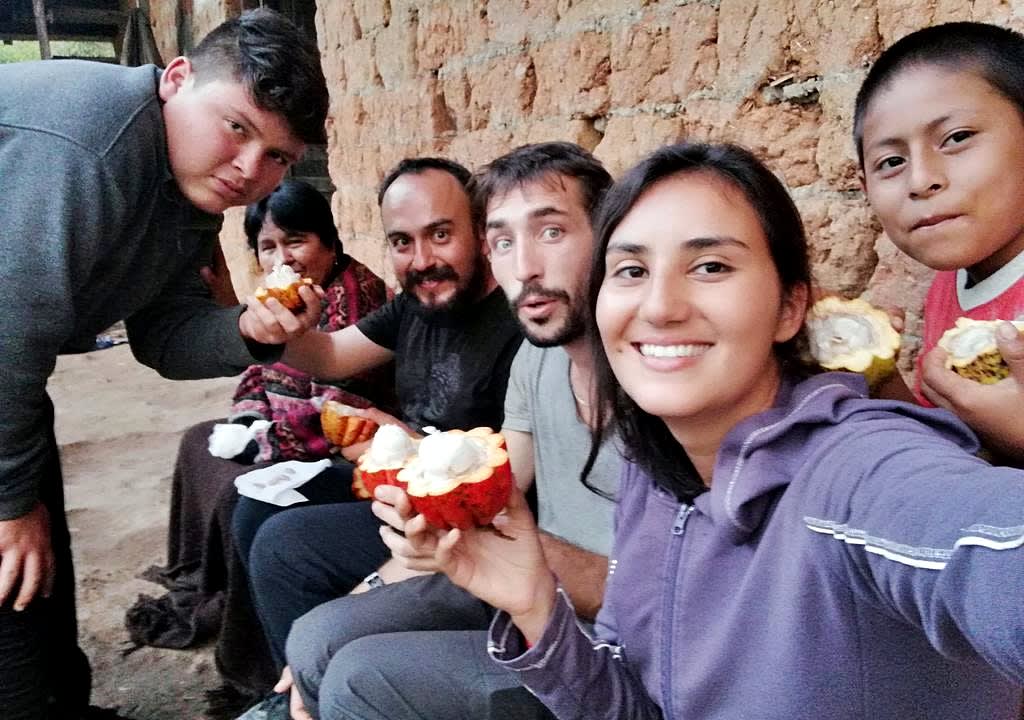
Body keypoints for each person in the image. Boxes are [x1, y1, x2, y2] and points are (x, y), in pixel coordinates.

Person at [376, 142, 1024, 719]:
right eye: (630, 271)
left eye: (711, 266)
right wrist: (535, 605)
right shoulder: (655, 474)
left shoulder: (850, 471)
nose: (660, 307)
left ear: (790, 307)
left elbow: (984, 549)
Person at [0, 9, 329, 719]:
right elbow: (5, 337)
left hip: (9, 379)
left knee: (42, 564)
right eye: (236, 126)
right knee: (11, 599)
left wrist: (249, 327)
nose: (250, 170)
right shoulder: (93, 147)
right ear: (176, 78)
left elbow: (163, 337)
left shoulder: (186, 190)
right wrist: (7, 503)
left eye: (278, 156)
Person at [281, 142, 620, 720]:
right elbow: (490, 493)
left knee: (357, 682)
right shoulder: (538, 358)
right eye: (505, 240)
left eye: (552, 232)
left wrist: (486, 539)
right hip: (528, 586)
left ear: (612, 236)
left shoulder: (659, 379)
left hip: (603, 634)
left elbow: (664, 595)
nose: (525, 267)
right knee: (313, 640)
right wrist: (381, 575)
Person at [231, 157, 524, 717]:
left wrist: (407, 444)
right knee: (252, 510)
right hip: (397, 485)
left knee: (285, 548)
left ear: (480, 232)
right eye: (402, 242)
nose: (423, 260)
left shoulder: (516, 324)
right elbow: (333, 355)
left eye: (440, 234)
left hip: (462, 521)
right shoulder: (417, 303)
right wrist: (284, 328)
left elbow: (514, 470)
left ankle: (312, 689)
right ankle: (287, 690)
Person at [123, 179, 391, 702]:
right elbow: (256, 371)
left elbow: (340, 403)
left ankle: (257, 660)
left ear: (329, 243)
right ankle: (207, 581)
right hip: (288, 432)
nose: (282, 257)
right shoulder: (281, 298)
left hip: (340, 442)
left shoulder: (358, 293)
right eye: (268, 246)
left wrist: (263, 442)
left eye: (296, 241)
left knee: (244, 494)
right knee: (199, 442)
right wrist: (248, 420)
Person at [854, 21, 1024, 465]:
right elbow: (953, 455)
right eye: (891, 162)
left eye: (957, 139)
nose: (921, 180)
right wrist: (877, 376)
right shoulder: (948, 286)